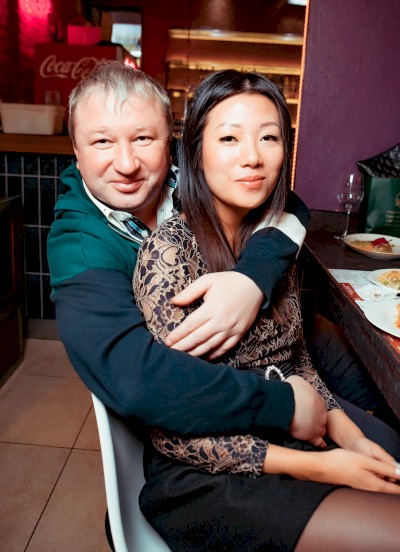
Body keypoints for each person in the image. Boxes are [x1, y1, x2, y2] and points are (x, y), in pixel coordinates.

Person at [132, 69, 400, 551]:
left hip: (289, 434)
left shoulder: (272, 245)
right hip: (209, 477)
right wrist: (323, 465)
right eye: (229, 138)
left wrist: (351, 438)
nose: (252, 157)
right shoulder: (169, 254)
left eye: (269, 137)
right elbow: (172, 427)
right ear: (195, 151)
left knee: (388, 456)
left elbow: (295, 361)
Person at [47, 60, 327, 451]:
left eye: (144, 138)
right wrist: (284, 405)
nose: (126, 164)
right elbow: (136, 380)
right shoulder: (79, 247)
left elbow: (287, 204)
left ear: (172, 141)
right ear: (76, 151)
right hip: (184, 435)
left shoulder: (188, 177)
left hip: (253, 360)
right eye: (102, 142)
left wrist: (252, 279)